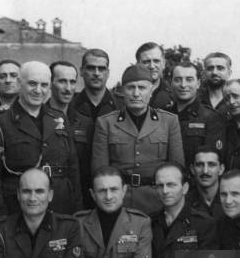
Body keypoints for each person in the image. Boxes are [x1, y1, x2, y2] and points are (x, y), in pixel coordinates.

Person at [0, 61, 82, 215]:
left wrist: (77, 209)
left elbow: (73, 169)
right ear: (20, 83)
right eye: (32, 84)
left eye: (44, 85)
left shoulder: (59, 119)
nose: (38, 90)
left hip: (60, 204)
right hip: (18, 208)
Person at [92, 65, 184, 214]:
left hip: (158, 201)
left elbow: (177, 168)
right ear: (122, 91)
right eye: (130, 88)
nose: (136, 93)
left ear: (151, 90)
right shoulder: (106, 123)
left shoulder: (169, 121)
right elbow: (100, 171)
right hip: (120, 201)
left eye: (142, 88)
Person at [69, 49, 120, 209]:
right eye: (91, 68)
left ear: (108, 72)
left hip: (112, 194)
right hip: (78, 193)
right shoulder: (69, 108)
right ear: (81, 71)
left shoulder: (122, 108)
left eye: (101, 69)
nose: (97, 73)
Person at [169, 62, 223, 166]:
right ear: (171, 82)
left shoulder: (211, 117)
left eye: (189, 80)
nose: (183, 85)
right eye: (177, 79)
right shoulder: (163, 116)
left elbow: (214, 160)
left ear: (198, 83)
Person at [186, 146, 225, 220]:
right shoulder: (184, 203)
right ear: (192, 169)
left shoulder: (232, 199)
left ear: (221, 169)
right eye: (200, 165)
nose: (205, 171)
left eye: (211, 165)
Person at [135, 42, 174, 110]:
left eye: (156, 61)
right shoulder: (125, 95)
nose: (152, 66)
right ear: (137, 65)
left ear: (163, 64)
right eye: (146, 62)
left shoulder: (174, 96)